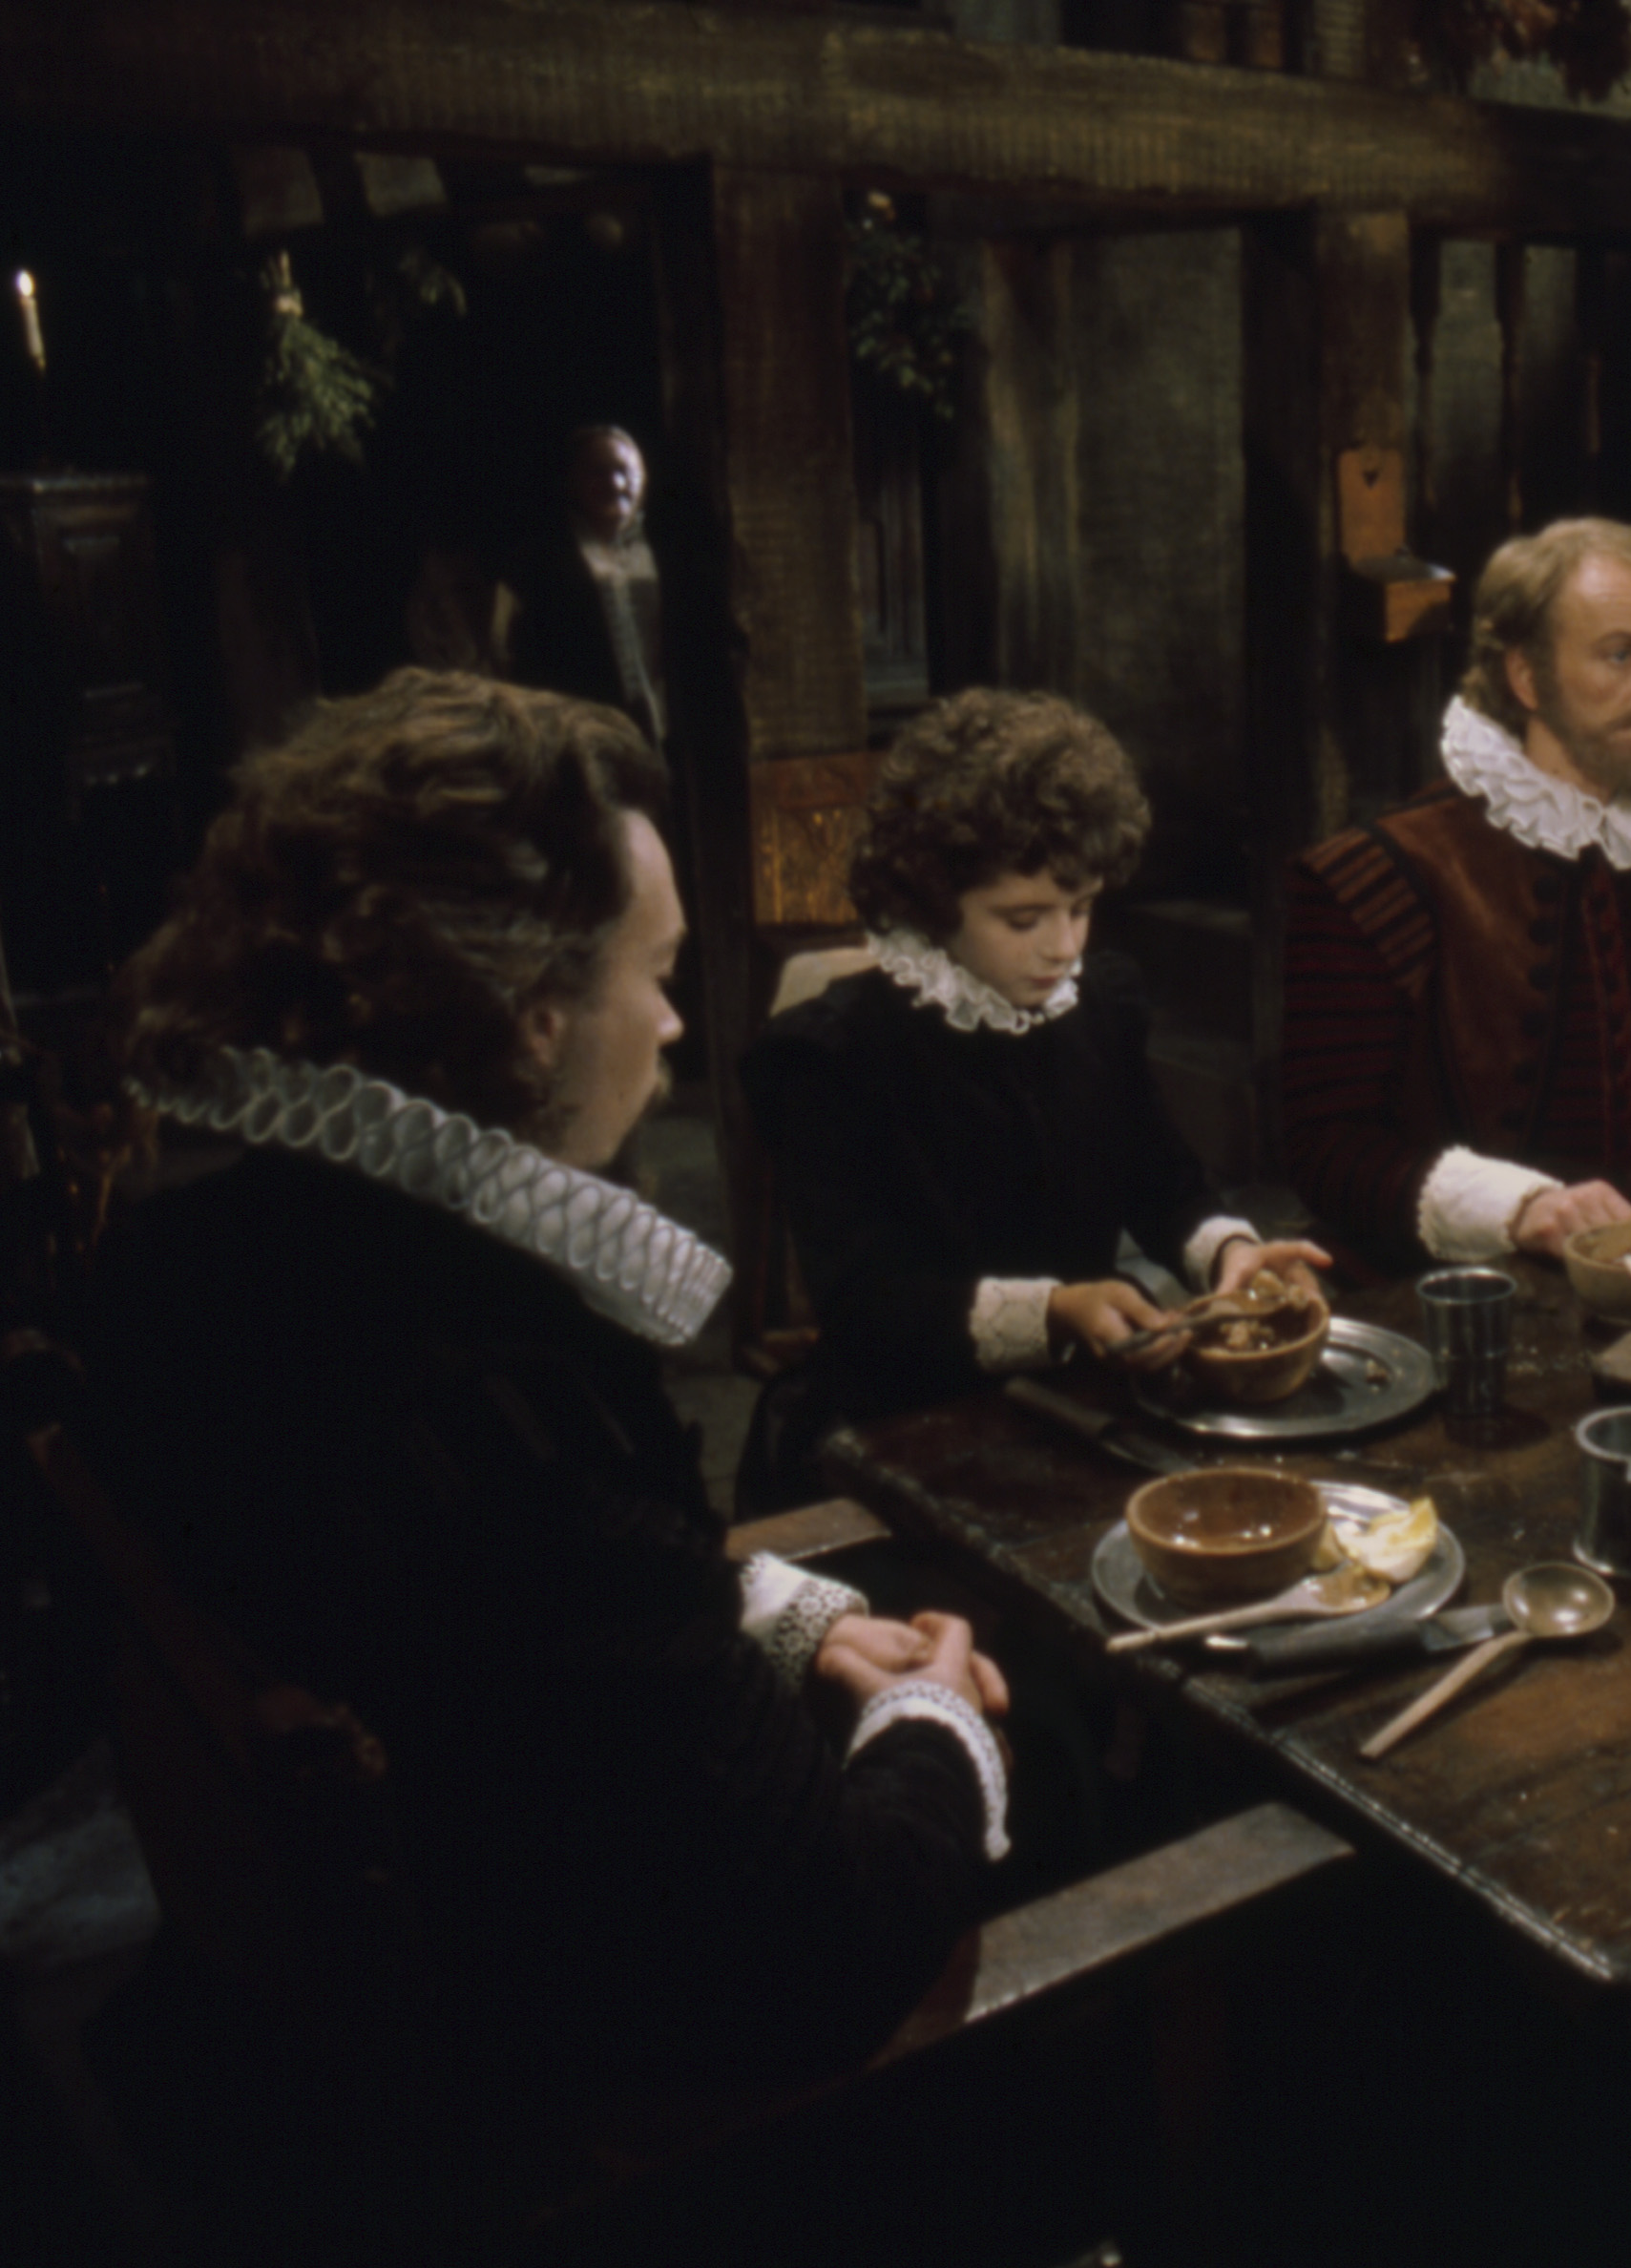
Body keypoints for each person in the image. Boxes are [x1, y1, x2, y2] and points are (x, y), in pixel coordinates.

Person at [74, 671, 1011, 2124]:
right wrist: (937, 1717)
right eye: (656, 973)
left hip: (386, 1950)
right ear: (531, 1021)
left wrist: (778, 1613)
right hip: (569, 2098)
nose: (673, 1023)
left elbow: (493, 1634)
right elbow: (824, 1947)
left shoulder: (201, 1251)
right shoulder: (504, 1401)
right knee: (1058, 1756)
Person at [740, 690, 1327, 1475]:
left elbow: (1161, 1181)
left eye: (1081, 908)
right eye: (1024, 920)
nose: (1064, 946)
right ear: (933, 903)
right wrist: (1053, 1311)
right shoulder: (836, 1055)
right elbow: (870, 1306)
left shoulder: (1096, 1006)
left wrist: (1230, 1253)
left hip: (1078, 1392)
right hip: (908, 1417)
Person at [1280, 517, 1631, 1270]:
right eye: (1621, 655)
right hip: (1463, 1293)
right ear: (1526, 677)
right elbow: (1323, 1149)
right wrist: (1516, 1206)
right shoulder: (1376, 880)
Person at [499, 424, 670, 755]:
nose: (615, 484)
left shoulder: (667, 555)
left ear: (644, 477)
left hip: (665, 735)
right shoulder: (544, 563)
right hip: (584, 737)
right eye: (598, 472)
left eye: (625, 471)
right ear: (574, 482)